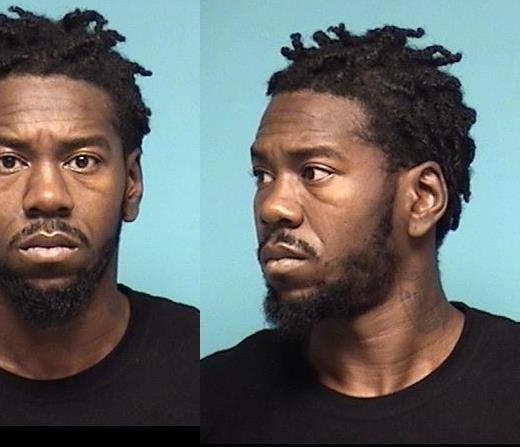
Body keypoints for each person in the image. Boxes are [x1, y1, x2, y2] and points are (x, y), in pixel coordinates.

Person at [201, 24, 520, 443]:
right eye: (262, 175)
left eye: (314, 172)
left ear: (422, 198)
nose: (271, 206)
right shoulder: (212, 397)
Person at [0, 6, 198, 426]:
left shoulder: (199, 370)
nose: (47, 196)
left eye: (82, 161)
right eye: (8, 161)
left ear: (132, 183)